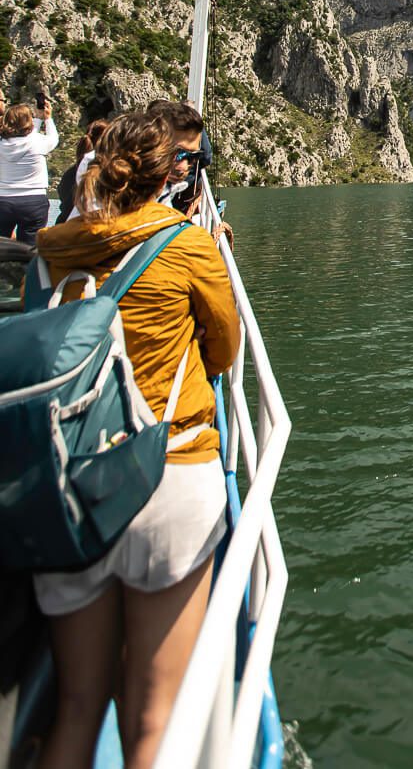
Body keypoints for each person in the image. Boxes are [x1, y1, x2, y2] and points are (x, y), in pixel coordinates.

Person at [31, 110, 240, 769]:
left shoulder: (52, 249)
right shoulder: (185, 243)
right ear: (167, 174)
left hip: (68, 485)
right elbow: (226, 350)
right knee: (153, 717)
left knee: (75, 706)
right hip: (168, 477)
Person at [0, 100, 59, 246]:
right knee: (31, 249)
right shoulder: (38, 142)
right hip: (34, 201)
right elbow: (53, 139)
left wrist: (39, 119)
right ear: (29, 122)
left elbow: (26, 136)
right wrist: (47, 119)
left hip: (3, 201)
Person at [55, 118, 110, 224]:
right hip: (90, 227)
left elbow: (64, 201)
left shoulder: (71, 173)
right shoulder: (108, 173)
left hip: (65, 224)